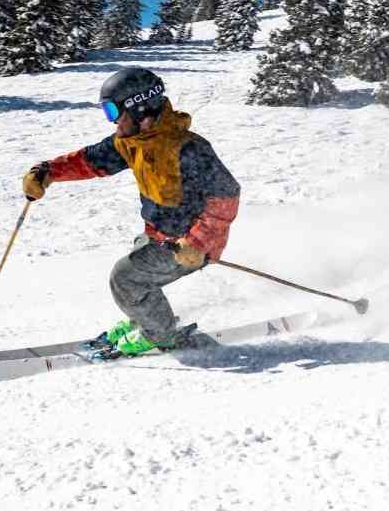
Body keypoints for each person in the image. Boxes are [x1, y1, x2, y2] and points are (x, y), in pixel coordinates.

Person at [22, 68, 240, 357]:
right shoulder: (132, 142)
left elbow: (226, 195)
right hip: (158, 235)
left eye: (113, 110)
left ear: (139, 109)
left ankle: (162, 335)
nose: (112, 121)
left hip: (190, 244)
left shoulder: (187, 148)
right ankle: (147, 318)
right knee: (136, 274)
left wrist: (198, 243)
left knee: (126, 278)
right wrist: (48, 172)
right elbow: (91, 161)